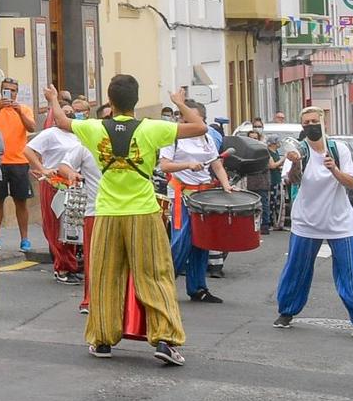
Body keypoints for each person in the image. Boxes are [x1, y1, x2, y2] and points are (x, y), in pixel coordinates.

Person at [46, 78, 202, 367]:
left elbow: (61, 121)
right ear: (136, 100)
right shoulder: (152, 127)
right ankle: (165, 340)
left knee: (105, 276)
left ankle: (102, 338)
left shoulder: (94, 127)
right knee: (155, 274)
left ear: (111, 101)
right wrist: (179, 102)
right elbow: (199, 128)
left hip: (106, 212)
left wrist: (53, 98)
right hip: (142, 210)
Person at [272, 108, 353, 339]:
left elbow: (351, 183)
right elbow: (291, 180)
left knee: (350, 271)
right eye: (306, 123)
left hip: (340, 222)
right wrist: (295, 164)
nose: (311, 126)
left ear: (323, 123)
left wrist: (334, 169)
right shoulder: (299, 150)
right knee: (297, 268)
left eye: (314, 121)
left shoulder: (339, 149)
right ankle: (286, 312)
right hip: (307, 221)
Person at [157, 99, 235, 304]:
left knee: (202, 242)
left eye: (190, 116)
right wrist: (188, 165)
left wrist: (226, 185)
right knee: (182, 240)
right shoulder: (173, 137)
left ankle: (198, 287)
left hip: (203, 195)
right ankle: (161, 283)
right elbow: (164, 166)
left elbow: (217, 165)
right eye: (183, 116)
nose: (184, 120)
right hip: (181, 193)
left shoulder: (207, 139)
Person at [25, 108, 100, 286]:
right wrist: (42, 169)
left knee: (72, 227)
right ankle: (62, 268)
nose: (69, 114)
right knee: (56, 227)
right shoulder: (50, 133)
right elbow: (28, 150)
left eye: (70, 111)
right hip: (54, 184)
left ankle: (71, 264)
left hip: (74, 185)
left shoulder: (77, 135)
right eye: (64, 111)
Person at [0, 78, 36, 257]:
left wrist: (19, 112)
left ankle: (24, 238)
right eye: (6, 90)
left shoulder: (24, 109)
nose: (10, 93)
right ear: (1, 91)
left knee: (21, 201)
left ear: (17, 92)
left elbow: (31, 127)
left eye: (13, 90)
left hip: (19, 161)